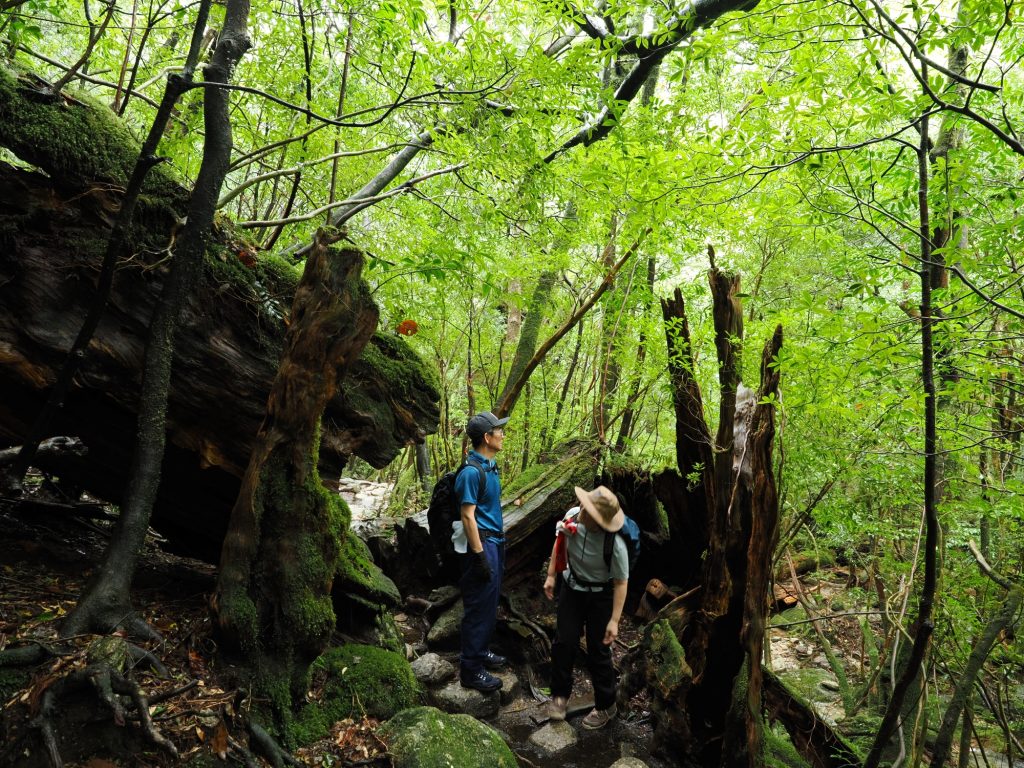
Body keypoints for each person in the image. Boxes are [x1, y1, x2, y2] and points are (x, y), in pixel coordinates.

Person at [543, 485, 629, 729]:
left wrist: (614, 620)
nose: (582, 512)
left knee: (598, 650)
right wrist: (551, 575)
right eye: (584, 506)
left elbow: (621, 583)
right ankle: (559, 696)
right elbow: (559, 542)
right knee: (564, 642)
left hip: (600, 597)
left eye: (589, 512)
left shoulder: (615, 544)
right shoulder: (572, 515)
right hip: (571, 589)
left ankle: (606, 705)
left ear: (601, 521)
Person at [453, 410, 509, 692]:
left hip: (495, 543)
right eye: (498, 430)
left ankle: (482, 651)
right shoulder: (471, 473)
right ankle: (470, 670)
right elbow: (467, 516)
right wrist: (478, 557)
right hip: (481, 545)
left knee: (490, 601)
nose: (502, 434)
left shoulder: (490, 467)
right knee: (477, 606)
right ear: (487, 437)